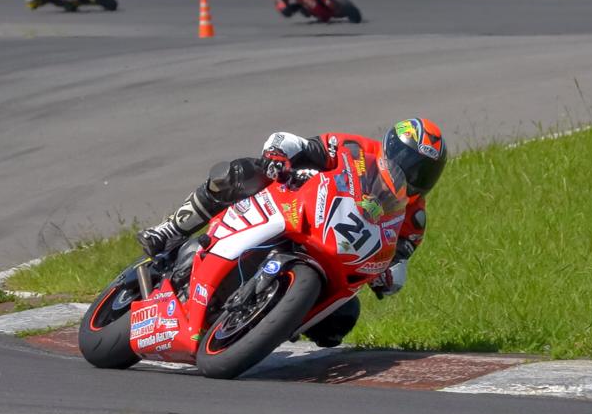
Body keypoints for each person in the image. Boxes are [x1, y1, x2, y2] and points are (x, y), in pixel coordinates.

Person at [137, 118, 448, 347]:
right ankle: (171, 228)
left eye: (423, 171)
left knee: (340, 324)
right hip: (298, 207)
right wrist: (279, 154)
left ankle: (265, 322)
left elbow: (401, 255)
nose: (411, 173)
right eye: (408, 162)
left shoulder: (414, 216)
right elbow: (304, 146)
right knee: (240, 174)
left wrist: (391, 276)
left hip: (336, 255)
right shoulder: (355, 148)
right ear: (391, 147)